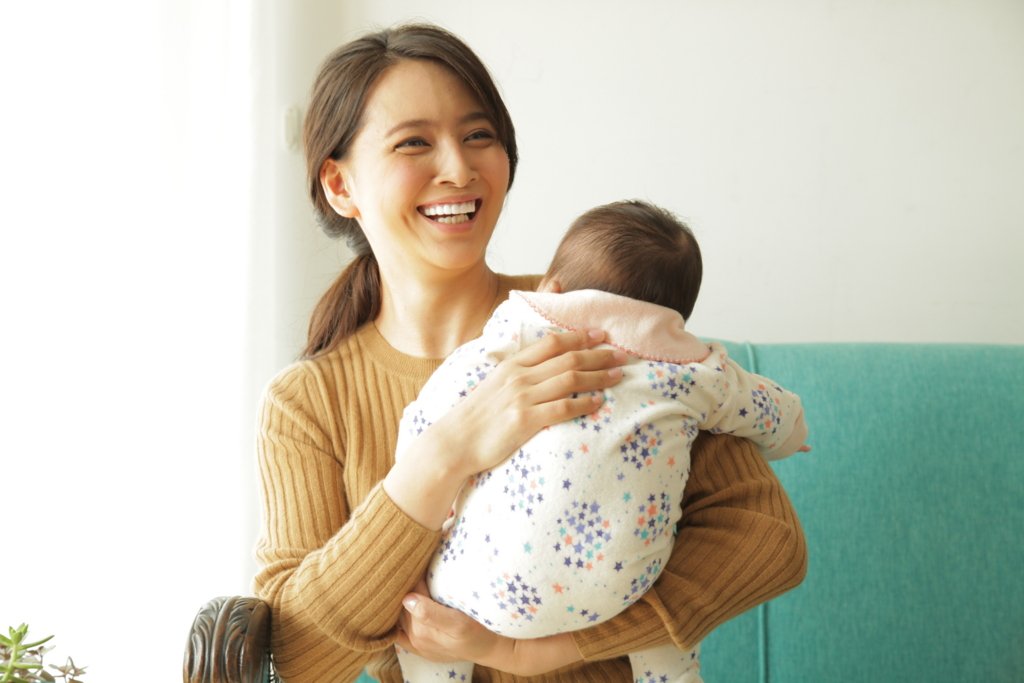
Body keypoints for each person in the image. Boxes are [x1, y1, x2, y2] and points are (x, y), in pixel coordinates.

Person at [252, 23, 807, 683]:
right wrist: (444, 455)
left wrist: (541, 651)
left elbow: (770, 542)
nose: (458, 168)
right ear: (340, 186)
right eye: (414, 143)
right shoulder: (306, 403)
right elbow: (295, 657)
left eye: (478, 135)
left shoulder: (594, 318)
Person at [394, 200, 808, 682]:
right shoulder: (695, 372)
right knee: (665, 630)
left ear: (553, 288)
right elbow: (768, 408)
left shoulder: (516, 335)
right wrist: (792, 436)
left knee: (426, 627)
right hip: (622, 589)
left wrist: (425, 489)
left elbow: (431, 418)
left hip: (482, 588)